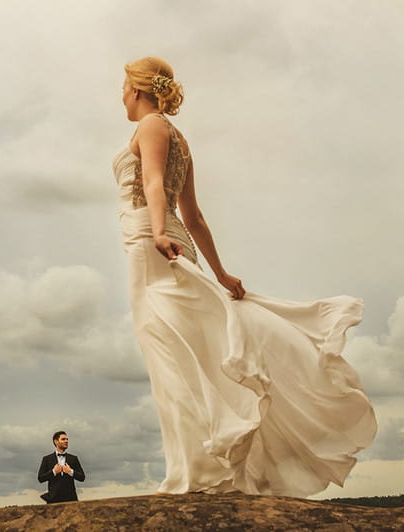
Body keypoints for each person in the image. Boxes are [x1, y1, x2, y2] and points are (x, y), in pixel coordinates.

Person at [114, 56, 377, 496]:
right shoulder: (179, 138)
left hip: (151, 243)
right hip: (168, 240)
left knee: (172, 356)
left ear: (138, 90)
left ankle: (194, 473)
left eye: (123, 87)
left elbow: (156, 184)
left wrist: (158, 232)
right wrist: (219, 272)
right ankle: (201, 469)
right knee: (189, 353)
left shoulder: (152, 127)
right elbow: (193, 215)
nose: (120, 95)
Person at [37, 431, 85, 503]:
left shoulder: (73, 458)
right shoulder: (47, 459)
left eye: (67, 439)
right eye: (63, 439)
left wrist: (70, 471)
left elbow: (82, 477)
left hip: (71, 499)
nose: (66, 441)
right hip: (53, 499)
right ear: (56, 441)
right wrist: (53, 472)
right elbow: (40, 478)